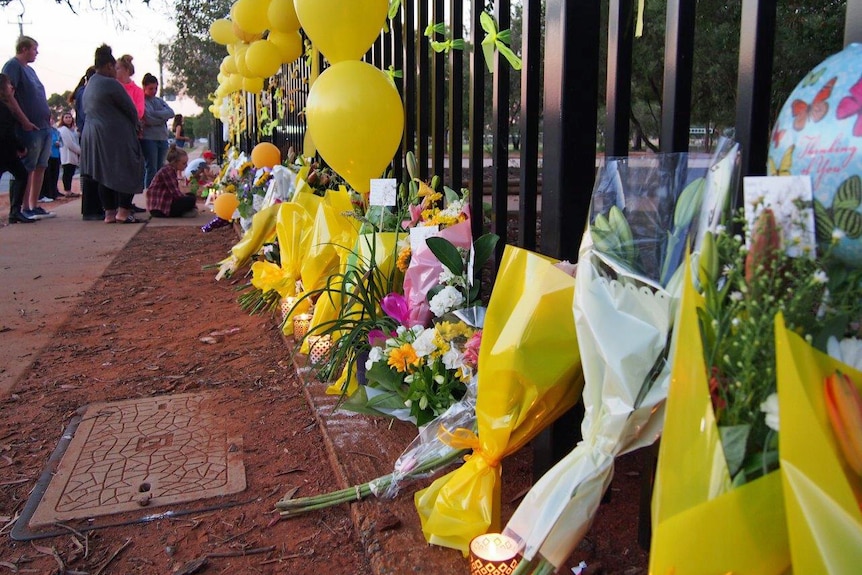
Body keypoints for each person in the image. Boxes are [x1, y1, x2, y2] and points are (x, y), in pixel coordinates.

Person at [80, 44, 144, 224]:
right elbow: (131, 109)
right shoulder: (111, 84)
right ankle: (123, 212)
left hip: (92, 132)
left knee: (103, 175)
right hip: (114, 133)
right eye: (114, 67)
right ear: (108, 66)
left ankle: (109, 213)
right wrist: (136, 126)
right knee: (129, 168)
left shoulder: (91, 83)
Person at [2, 36, 54, 220]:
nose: (36, 52)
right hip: (28, 127)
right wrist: (23, 120)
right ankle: (21, 208)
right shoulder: (13, 66)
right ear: (24, 49)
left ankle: (34, 205)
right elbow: (9, 96)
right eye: (34, 49)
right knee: (27, 167)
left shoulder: (30, 70)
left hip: (43, 125)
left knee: (40, 165)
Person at [0, 73, 34, 223]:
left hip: (6, 151)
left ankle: (15, 211)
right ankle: (15, 211)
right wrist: (20, 147)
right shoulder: (4, 108)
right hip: (5, 151)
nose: (11, 87)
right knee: (21, 175)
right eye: (8, 84)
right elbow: (7, 132)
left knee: (20, 175)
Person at [69, 67, 101, 220]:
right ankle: (91, 210)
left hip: (89, 133)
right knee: (91, 171)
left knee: (91, 171)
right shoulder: (86, 92)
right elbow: (88, 113)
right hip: (89, 134)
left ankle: (93, 208)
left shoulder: (84, 91)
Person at [141, 72, 174, 188]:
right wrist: (162, 118)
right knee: (151, 168)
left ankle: (159, 190)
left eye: (155, 88)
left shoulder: (159, 101)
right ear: (144, 87)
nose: (154, 91)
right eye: (151, 88)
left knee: (160, 167)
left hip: (162, 138)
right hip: (149, 138)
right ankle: (149, 191)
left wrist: (156, 114)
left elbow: (171, 113)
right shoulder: (142, 101)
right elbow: (148, 119)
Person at [146, 145, 197, 218]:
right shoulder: (168, 171)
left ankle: (186, 210)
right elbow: (176, 194)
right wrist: (192, 203)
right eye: (184, 163)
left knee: (190, 196)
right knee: (191, 199)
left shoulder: (170, 169)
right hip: (159, 208)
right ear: (175, 162)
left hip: (163, 203)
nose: (186, 166)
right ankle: (184, 212)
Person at [56, 111, 81, 197]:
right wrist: (80, 151)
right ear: (62, 119)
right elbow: (69, 144)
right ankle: (67, 190)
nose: (68, 119)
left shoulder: (72, 130)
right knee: (67, 173)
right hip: (67, 155)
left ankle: (69, 190)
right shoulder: (63, 130)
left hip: (73, 155)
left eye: (70, 117)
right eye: (66, 117)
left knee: (70, 172)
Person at [38, 122, 62, 201]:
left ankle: (54, 192)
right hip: (49, 155)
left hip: (56, 155)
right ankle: (45, 194)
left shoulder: (56, 131)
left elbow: (61, 141)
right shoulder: (46, 131)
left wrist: (60, 144)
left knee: (55, 175)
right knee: (48, 176)